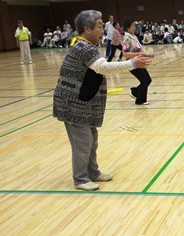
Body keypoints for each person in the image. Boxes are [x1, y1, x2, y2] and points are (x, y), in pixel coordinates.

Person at [53, 10, 150, 191]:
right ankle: (80, 179)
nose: (103, 30)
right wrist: (132, 64)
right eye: (99, 26)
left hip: (83, 103)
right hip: (73, 105)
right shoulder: (82, 47)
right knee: (83, 143)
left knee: (91, 140)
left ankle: (93, 172)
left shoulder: (86, 46)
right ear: (86, 29)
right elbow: (102, 67)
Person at [122, 17, 154, 105]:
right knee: (144, 81)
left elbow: (139, 51)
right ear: (127, 27)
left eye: (134, 26)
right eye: (132, 26)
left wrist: (148, 55)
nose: (134, 27)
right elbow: (125, 54)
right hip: (132, 63)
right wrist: (138, 55)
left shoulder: (134, 37)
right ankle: (140, 100)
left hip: (139, 62)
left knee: (148, 80)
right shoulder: (126, 39)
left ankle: (135, 91)